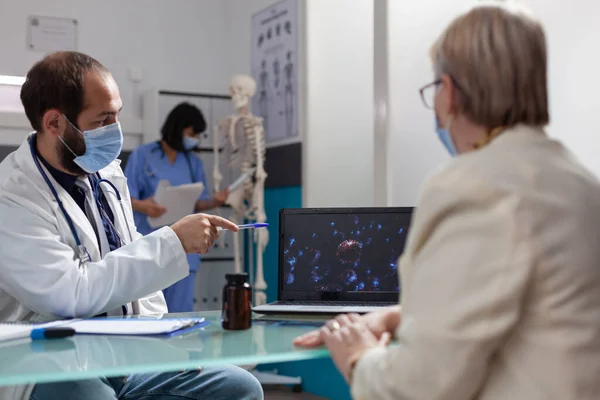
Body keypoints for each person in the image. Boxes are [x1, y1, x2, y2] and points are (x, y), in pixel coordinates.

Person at [294, 4, 600, 399]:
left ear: (450, 93)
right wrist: (401, 316)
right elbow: (541, 311)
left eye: (434, 89)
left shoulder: (474, 187)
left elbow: (420, 386)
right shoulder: (579, 182)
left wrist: (357, 357)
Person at [0, 51, 262, 400]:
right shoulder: (12, 195)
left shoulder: (107, 173)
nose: (115, 131)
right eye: (102, 120)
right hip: (45, 362)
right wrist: (172, 241)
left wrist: (163, 344)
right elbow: (69, 295)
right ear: (54, 124)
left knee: (239, 386)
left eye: (118, 116)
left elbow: (131, 252)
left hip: (124, 353)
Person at [124, 103, 229, 313]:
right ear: (177, 128)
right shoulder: (143, 156)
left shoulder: (192, 163)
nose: (194, 140)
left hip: (186, 248)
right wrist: (146, 206)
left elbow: (198, 202)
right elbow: (125, 199)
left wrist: (215, 201)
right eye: (191, 133)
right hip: (151, 243)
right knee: (149, 313)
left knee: (181, 312)